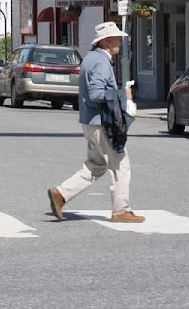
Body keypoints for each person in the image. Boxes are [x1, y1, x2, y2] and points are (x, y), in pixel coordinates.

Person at [47, 21, 144, 224]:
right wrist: (122, 95)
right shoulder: (100, 61)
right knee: (121, 164)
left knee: (96, 166)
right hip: (102, 122)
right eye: (118, 39)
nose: (120, 42)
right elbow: (97, 93)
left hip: (90, 121)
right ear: (106, 41)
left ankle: (61, 194)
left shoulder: (91, 58)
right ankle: (121, 210)